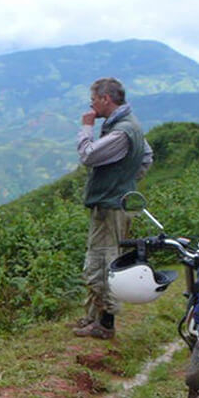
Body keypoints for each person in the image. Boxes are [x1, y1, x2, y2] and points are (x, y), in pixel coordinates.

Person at [73, 77, 153, 339]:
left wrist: (86, 128)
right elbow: (146, 157)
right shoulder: (127, 126)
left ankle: (105, 324)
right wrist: (126, 179)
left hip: (110, 207)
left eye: (93, 99)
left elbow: (89, 155)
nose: (91, 105)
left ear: (106, 99)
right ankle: (93, 317)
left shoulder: (122, 130)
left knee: (103, 261)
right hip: (112, 203)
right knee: (99, 259)